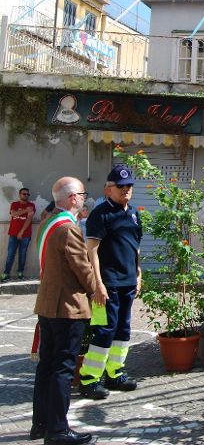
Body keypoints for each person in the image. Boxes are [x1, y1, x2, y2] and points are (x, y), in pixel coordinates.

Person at [31, 177, 95, 445]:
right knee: (64, 368)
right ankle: (57, 430)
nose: (84, 199)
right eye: (82, 194)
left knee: (47, 366)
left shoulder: (48, 223)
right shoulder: (68, 228)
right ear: (73, 198)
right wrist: (98, 290)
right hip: (67, 308)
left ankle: (41, 423)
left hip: (47, 304)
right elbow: (82, 269)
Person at [78, 165, 142, 400]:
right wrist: (98, 284)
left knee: (123, 329)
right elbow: (91, 251)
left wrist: (138, 274)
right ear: (108, 189)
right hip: (107, 284)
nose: (126, 189)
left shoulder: (133, 213)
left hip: (128, 282)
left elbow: (135, 247)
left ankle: (115, 374)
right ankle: (89, 379)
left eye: (129, 185)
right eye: (121, 186)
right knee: (105, 330)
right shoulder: (100, 214)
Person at [2, 187, 36, 282]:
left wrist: (21, 232)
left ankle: (20, 272)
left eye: (27, 194)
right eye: (24, 194)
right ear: (20, 195)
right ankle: (6, 273)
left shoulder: (31, 205)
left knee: (22, 254)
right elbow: (13, 214)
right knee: (10, 254)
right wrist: (25, 210)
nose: (26, 196)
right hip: (13, 233)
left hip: (25, 234)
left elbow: (29, 219)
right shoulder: (14, 204)